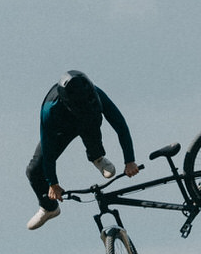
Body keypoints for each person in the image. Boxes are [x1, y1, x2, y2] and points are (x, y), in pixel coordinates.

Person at [24, 70, 140, 230]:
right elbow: (48, 149)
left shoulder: (96, 94)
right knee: (34, 170)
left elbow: (120, 125)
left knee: (91, 119)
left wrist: (130, 160)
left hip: (89, 123)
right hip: (61, 129)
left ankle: (97, 157)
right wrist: (53, 183)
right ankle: (49, 209)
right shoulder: (49, 111)